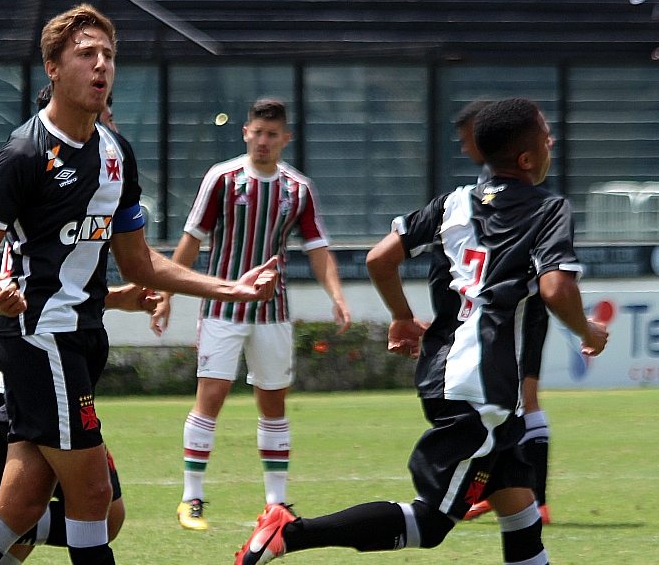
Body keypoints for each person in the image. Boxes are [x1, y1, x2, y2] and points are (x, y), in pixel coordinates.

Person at [0, 5, 278, 565]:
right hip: (38, 339)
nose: (101, 66)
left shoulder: (116, 155)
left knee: (24, 500)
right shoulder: (25, 153)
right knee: (95, 497)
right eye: (86, 55)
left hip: (81, 339)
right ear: (52, 66)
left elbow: (140, 262)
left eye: (108, 56)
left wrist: (232, 288)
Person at [234, 98, 608, 565]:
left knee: (518, 506)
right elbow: (556, 289)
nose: (552, 140)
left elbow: (379, 258)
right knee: (431, 524)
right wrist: (588, 331)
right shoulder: (549, 209)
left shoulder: (454, 201)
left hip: (450, 373)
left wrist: (402, 316)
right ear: (528, 159)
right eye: (545, 134)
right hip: (482, 389)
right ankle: (290, 533)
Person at [0, 85, 142, 565]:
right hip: (16, 366)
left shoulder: (104, 173)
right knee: (88, 500)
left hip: (52, 353)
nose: (107, 130)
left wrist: (118, 298)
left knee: (36, 507)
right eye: (103, 120)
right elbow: (3, 274)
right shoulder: (32, 159)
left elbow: (78, 278)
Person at [150, 97, 351, 531]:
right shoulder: (222, 179)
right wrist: (167, 294)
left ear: (285, 139)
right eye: (256, 133)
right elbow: (191, 238)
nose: (263, 141)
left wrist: (336, 295)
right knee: (212, 397)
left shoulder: (297, 189)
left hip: (272, 311)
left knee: (273, 404)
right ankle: (192, 498)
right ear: (245, 133)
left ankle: (276, 506)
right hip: (221, 305)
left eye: (272, 135)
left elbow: (318, 250)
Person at [456, 100, 553, 524]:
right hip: (500, 309)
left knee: (524, 399)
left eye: (466, 139)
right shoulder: (483, 182)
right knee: (506, 407)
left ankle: (538, 497)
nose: (465, 148)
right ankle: (497, 489)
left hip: (523, 308)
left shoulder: (524, 180)